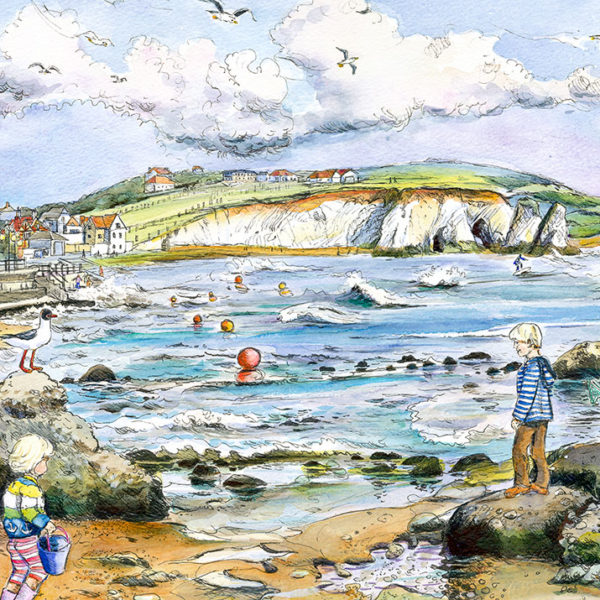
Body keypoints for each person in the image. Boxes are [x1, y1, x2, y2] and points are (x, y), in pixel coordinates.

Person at [2, 434, 58, 600]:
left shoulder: (14, 485)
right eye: (44, 459)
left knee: (19, 572)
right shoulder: (31, 488)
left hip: (14, 541)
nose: (46, 464)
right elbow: (30, 511)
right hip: (27, 539)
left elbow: (11, 512)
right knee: (39, 571)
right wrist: (46, 524)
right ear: (33, 461)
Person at [505, 323, 555, 498]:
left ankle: (522, 483)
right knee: (538, 450)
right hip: (543, 416)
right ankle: (542, 483)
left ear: (531, 342)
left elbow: (527, 394)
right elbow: (549, 384)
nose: (516, 346)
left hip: (529, 416)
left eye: (518, 342)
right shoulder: (543, 364)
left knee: (519, 449)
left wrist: (517, 417)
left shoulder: (531, 366)